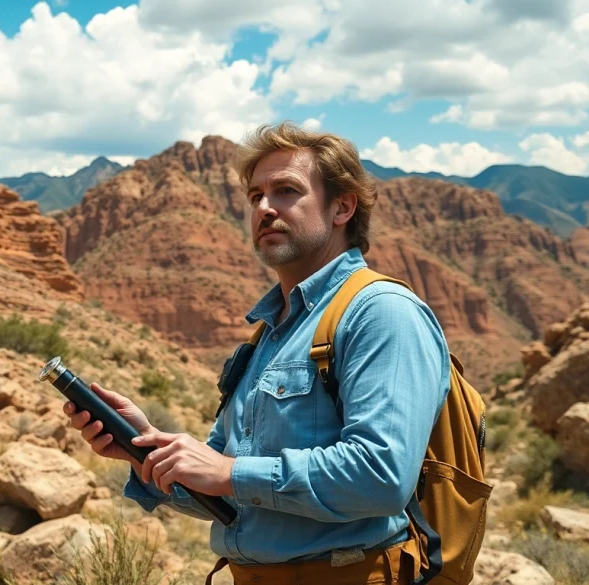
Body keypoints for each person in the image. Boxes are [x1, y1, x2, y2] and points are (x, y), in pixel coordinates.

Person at [63, 122, 452, 584]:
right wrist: (145, 450)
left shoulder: (381, 312)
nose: (265, 208)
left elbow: (382, 476)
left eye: (287, 191)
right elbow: (227, 500)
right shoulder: (267, 335)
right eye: (254, 197)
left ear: (342, 207)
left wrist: (229, 471)